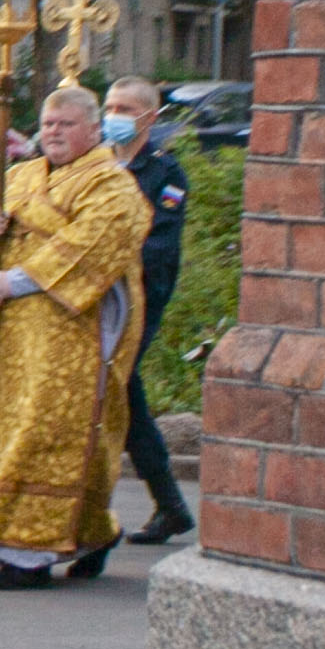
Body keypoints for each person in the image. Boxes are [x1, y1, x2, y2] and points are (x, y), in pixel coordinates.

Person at [0, 83, 153, 589]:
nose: (54, 133)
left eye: (65, 124)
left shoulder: (112, 185)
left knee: (50, 432)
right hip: (12, 336)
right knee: (7, 428)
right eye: (46, 124)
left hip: (71, 334)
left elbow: (95, 244)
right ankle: (88, 533)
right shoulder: (19, 174)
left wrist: (18, 279)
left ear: (93, 129)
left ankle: (28, 554)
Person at [105, 74, 196, 545]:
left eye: (125, 109)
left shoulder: (165, 174)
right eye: (111, 108)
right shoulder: (95, 164)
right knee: (122, 395)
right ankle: (170, 505)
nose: (114, 118)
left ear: (149, 118)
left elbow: (156, 247)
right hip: (95, 300)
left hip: (138, 301)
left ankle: (167, 504)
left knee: (117, 390)